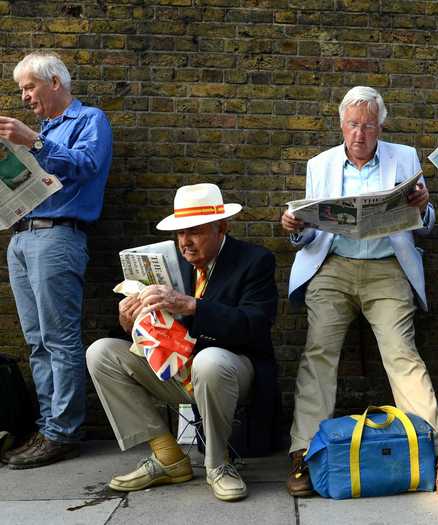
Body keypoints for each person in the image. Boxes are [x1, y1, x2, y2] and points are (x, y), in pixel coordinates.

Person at [280, 86, 438, 501]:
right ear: (340, 125)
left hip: (386, 268)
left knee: (402, 354)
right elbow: (310, 230)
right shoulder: (320, 164)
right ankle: (305, 454)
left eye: (367, 125)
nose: (359, 134)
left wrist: (422, 206)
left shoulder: (404, 158)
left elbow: (426, 224)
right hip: (332, 267)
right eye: (352, 125)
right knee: (318, 354)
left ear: (380, 125)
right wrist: (295, 228)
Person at [86, 183, 279, 502]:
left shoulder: (254, 260)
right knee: (101, 353)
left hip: (232, 372)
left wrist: (191, 305)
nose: (185, 242)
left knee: (210, 361)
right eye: (180, 233)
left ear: (222, 228)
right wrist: (128, 320)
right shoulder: (168, 262)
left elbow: (254, 325)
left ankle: (219, 464)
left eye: (195, 232)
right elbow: (145, 334)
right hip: (176, 369)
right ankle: (167, 457)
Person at [0, 52, 112, 469]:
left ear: (54, 82)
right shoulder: (43, 127)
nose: (25, 97)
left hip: (58, 236)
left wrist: (34, 141)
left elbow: (88, 165)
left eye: (29, 87)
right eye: (22, 91)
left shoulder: (90, 120)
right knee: (36, 340)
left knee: (58, 338)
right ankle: (48, 425)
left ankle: (63, 432)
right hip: (22, 237)